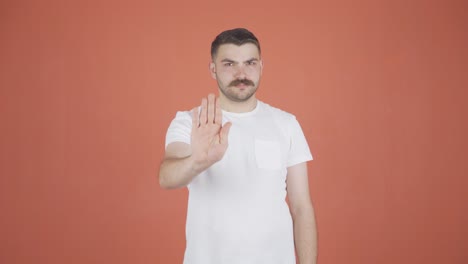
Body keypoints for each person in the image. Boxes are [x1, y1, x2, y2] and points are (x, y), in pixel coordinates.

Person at [159, 28, 317, 264]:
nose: (241, 73)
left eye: (250, 63)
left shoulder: (287, 124)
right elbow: (167, 177)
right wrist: (198, 161)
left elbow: (301, 207)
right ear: (213, 69)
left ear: (261, 66)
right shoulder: (190, 122)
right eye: (229, 64)